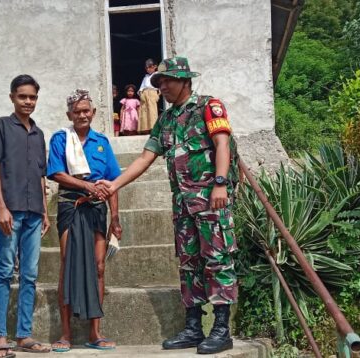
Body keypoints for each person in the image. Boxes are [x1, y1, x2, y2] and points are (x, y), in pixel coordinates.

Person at [96, 56, 239, 355]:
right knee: (189, 264)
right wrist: (114, 185)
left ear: (185, 80)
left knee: (217, 260)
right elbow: (145, 158)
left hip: (211, 199)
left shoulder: (208, 106)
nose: (163, 88)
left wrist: (221, 183)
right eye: (159, 83)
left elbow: (222, 143)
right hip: (183, 205)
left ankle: (222, 330)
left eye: (168, 82)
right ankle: (193, 327)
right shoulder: (166, 120)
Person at [46, 89, 122, 353]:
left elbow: (113, 181)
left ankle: (95, 332)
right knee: (67, 264)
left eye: (86, 111)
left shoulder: (102, 142)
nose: (82, 115)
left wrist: (116, 218)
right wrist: (86, 186)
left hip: (98, 210)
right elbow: (55, 172)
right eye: (77, 112)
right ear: (70, 114)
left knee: (99, 267)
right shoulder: (60, 139)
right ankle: (65, 334)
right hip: (70, 206)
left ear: (93, 113)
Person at [0, 74, 51, 357]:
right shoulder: (0, 126)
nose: (28, 102)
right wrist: (1, 207)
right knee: (3, 272)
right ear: (12, 97)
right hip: (10, 212)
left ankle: (23, 335)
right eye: (23, 96)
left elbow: (41, 176)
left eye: (33, 97)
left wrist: (46, 211)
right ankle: (0, 336)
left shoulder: (38, 134)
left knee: (30, 274)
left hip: (35, 213)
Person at [137, 58, 160, 135]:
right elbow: (141, 87)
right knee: (144, 112)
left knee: (152, 111)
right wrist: (141, 94)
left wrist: (157, 94)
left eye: (150, 67)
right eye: (146, 68)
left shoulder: (157, 75)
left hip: (152, 93)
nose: (148, 69)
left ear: (155, 66)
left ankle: (153, 129)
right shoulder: (145, 77)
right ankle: (145, 129)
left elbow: (160, 86)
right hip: (144, 94)